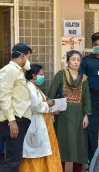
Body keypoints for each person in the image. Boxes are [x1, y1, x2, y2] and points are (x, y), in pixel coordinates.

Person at [48, 50, 92, 172]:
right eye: (73, 59)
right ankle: (59, 169)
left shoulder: (84, 78)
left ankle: (77, 169)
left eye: (78, 60)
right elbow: (51, 95)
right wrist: (51, 112)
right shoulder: (60, 75)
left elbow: (86, 98)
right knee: (62, 143)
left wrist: (86, 115)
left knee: (79, 143)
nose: (76, 62)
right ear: (67, 61)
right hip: (63, 116)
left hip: (79, 116)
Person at [19, 64, 62, 172]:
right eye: (41, 75)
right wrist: (49, 104)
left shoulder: (36, 89)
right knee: (35, 156)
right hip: (35, 125)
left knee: (44, 152)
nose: (43, 77)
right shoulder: (29, 88)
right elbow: (36, 106)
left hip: (44, 126)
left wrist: (51, 110)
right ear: (33, 76)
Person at [79, 32, 99, 167]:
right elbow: (81, 79)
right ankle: (92, 161)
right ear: (92, 46)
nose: (98, 46)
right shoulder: (86, 60)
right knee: (92, 130)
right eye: (95, 45)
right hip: (92, 97)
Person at [0, 43, 32, 172]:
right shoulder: (9, 70)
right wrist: (12, 121)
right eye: (29, 57)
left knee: (14, 158)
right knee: (12, 161)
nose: (29, 61)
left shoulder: (18, 71)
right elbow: (4, 97)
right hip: (13, 121)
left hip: (18, 119)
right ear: (22, 56)